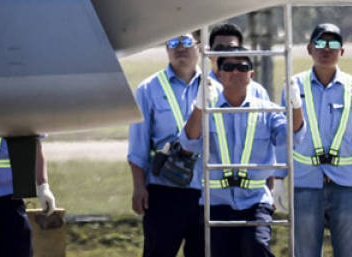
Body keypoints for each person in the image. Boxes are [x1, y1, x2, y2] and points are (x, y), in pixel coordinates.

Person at [180, 49, 305, 257]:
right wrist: (199, 106)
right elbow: (188, 143)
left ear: (251, 75)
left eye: (243, 67)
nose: (236, 72)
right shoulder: (207, 109)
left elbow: (293, 138)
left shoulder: (268, 111)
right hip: (216, 202)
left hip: (255, 201)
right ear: (218, 74)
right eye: (228, 67)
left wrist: (296, 105)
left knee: (256, 246)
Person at [282, 22, 352, 257]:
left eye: (334, 43)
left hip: (345, 185)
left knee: (349, 252)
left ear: (342, 51)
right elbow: (283, 135)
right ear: (309, 48)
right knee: (305, 252)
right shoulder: (294, 86)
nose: (327, 49)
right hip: (305, 183)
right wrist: (278, 179)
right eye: (320, 43)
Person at [128, 32, 203, 257]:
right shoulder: (148, 89)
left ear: (200, 46)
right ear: (165, 48)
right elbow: (137, 146)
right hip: (164, 190)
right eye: (173, 42)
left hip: (206, 191)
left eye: (187, 41)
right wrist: (139, 187)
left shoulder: (214, 87)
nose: (180, 47)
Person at [208, 23, 270, 100]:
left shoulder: (257, 92)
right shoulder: (200, 89)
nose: (224, 54)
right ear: (209, 53)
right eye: (219, 48)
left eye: (231, 49)